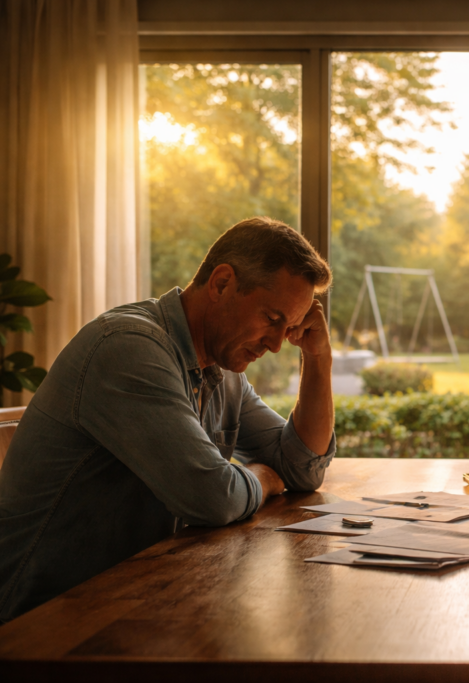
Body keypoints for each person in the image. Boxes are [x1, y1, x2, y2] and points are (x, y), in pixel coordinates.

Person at [0, 217, 336, 623]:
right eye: (271, 318)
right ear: (222, 283)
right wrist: (262, 478)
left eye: (292, 328)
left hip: (131, 603)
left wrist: (318, 359)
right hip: (39, 626)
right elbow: (212, 497)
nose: (278, 344)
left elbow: (302, 468)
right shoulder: (128, 349)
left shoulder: (224, 370)